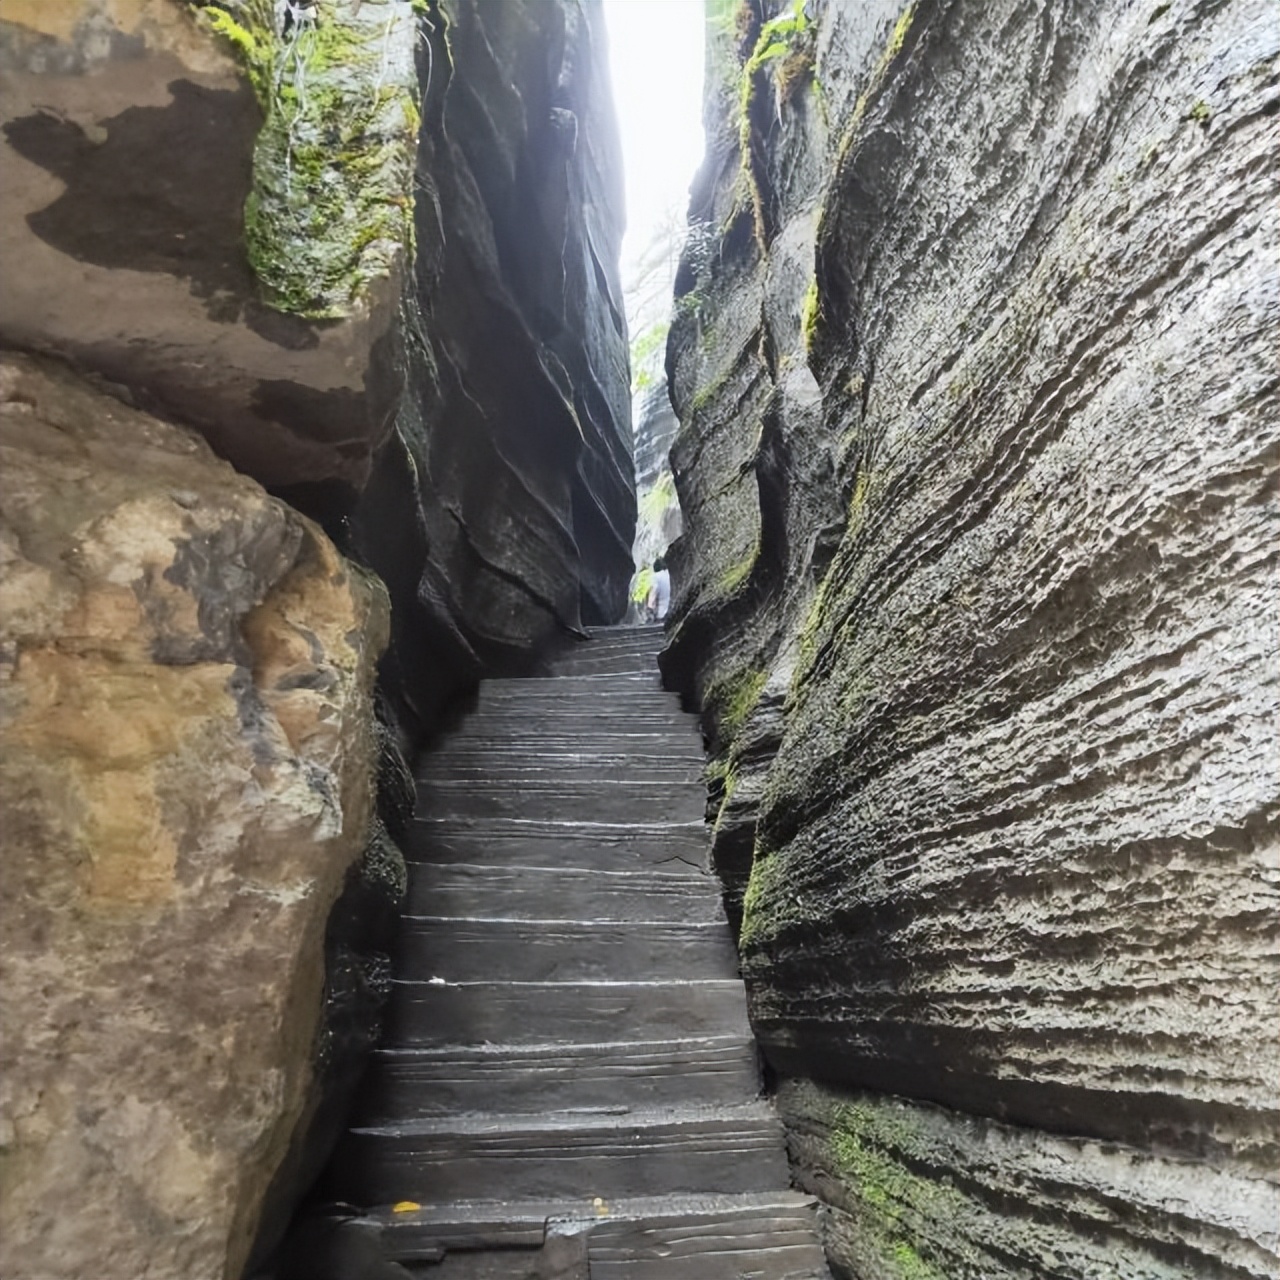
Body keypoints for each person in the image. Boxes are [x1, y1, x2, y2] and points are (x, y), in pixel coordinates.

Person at [647, 555, 671, 622]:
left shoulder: (656, 577)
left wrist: (650, 608)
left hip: (661, 614)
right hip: (670, 612)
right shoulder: (668, 574)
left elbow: (653, 593)